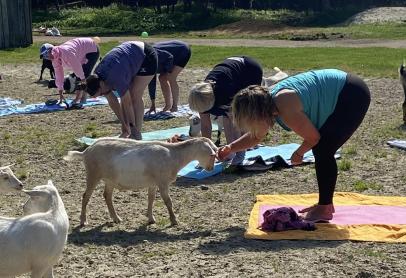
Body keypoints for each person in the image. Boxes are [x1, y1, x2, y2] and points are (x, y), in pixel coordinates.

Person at [217, 69, 371, 221]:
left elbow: (313, 138)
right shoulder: (267, 103)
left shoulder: (284, 104)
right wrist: (230, 148)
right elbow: (256, 136)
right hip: (343, 88)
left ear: (255, 112)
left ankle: (324, 208)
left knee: (323, 149)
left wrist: (299, 153)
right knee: (323, 148)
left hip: (352, 93)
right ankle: (324, 204)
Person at [188, 56, 263, 165]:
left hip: (249, 70)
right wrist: (207, 152)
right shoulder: (200, 96)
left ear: (212, 101)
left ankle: (246, 145)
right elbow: (205, 125)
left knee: (244, 112)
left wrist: (234, 150)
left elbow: (234, 122)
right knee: (228, 117)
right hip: (230, 73)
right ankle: (238, 148)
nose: (203, 112)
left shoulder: (224, 93)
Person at [85, 41, 157, 140]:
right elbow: (112, 101)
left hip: (146, 56)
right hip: (128, 57)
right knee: (124, 96)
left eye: (101, 93)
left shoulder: (116, 77)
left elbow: (128, 104)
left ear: (101, 84)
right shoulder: (98, 77)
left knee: (134, 95)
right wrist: (123, 124)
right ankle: (128, 131)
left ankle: (136, 134)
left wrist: (131, 126)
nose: (103, 95)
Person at [40, 37, 100, 105]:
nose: (48, 57)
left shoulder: (66, 51)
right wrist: (60, 92)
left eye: (47, 54)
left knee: (84, 74)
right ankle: (78, 98)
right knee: (80, 75)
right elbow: (58, 75)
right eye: (45, 57)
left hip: (92, 49)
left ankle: (83, 98)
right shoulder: (55, 59)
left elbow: (76, 66)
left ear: (52, 50)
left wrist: (83, 79)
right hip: (81, 52)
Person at [147, 40, 191, 113]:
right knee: (162, 78)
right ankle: (168, 105)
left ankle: (174, 106)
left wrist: (168, 71)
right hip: (170, 54)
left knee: (171, 77)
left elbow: (169, 57)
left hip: (183, 50)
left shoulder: (151, 59)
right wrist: (153, 104)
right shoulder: (147, 61)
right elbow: (151, 82)